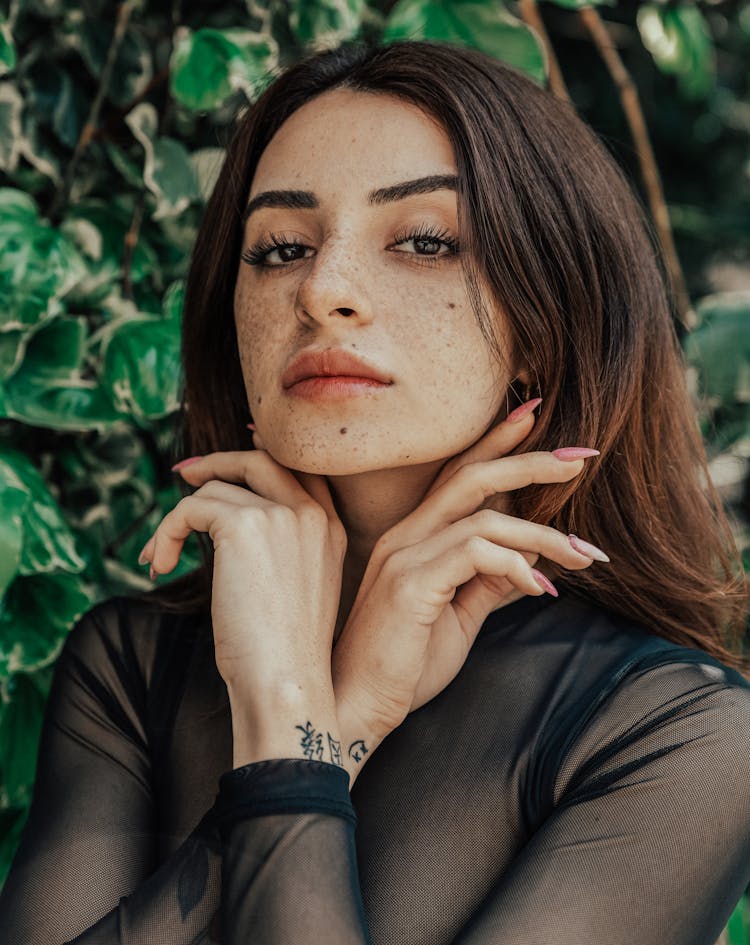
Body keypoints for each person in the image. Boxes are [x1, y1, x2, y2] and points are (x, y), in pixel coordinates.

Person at [1, 38, 748, 945]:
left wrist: (287, 755)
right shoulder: (132, 664)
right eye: (279, 248)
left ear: (545, 325)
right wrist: (329, 721)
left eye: (425, 240)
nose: (324, 290)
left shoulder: (677, 728)